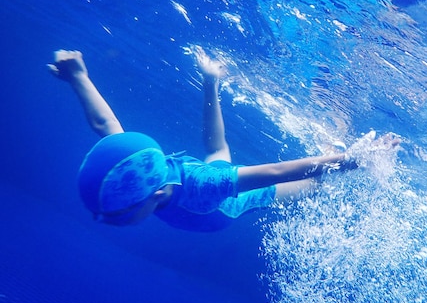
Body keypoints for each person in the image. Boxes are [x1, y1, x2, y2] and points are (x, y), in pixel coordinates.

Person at [48, 48, 363, 231]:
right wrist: (78, 76)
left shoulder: (207, 185)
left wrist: (355, 160)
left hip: (224, 205)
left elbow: (281, 172)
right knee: (216, 151)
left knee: (312, 186)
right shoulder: (137, 165)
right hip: (202, 184)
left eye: (117, 217)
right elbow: (106, 124)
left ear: (157, 195)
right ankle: (211, 79)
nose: (103, 221)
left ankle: (336, 151)